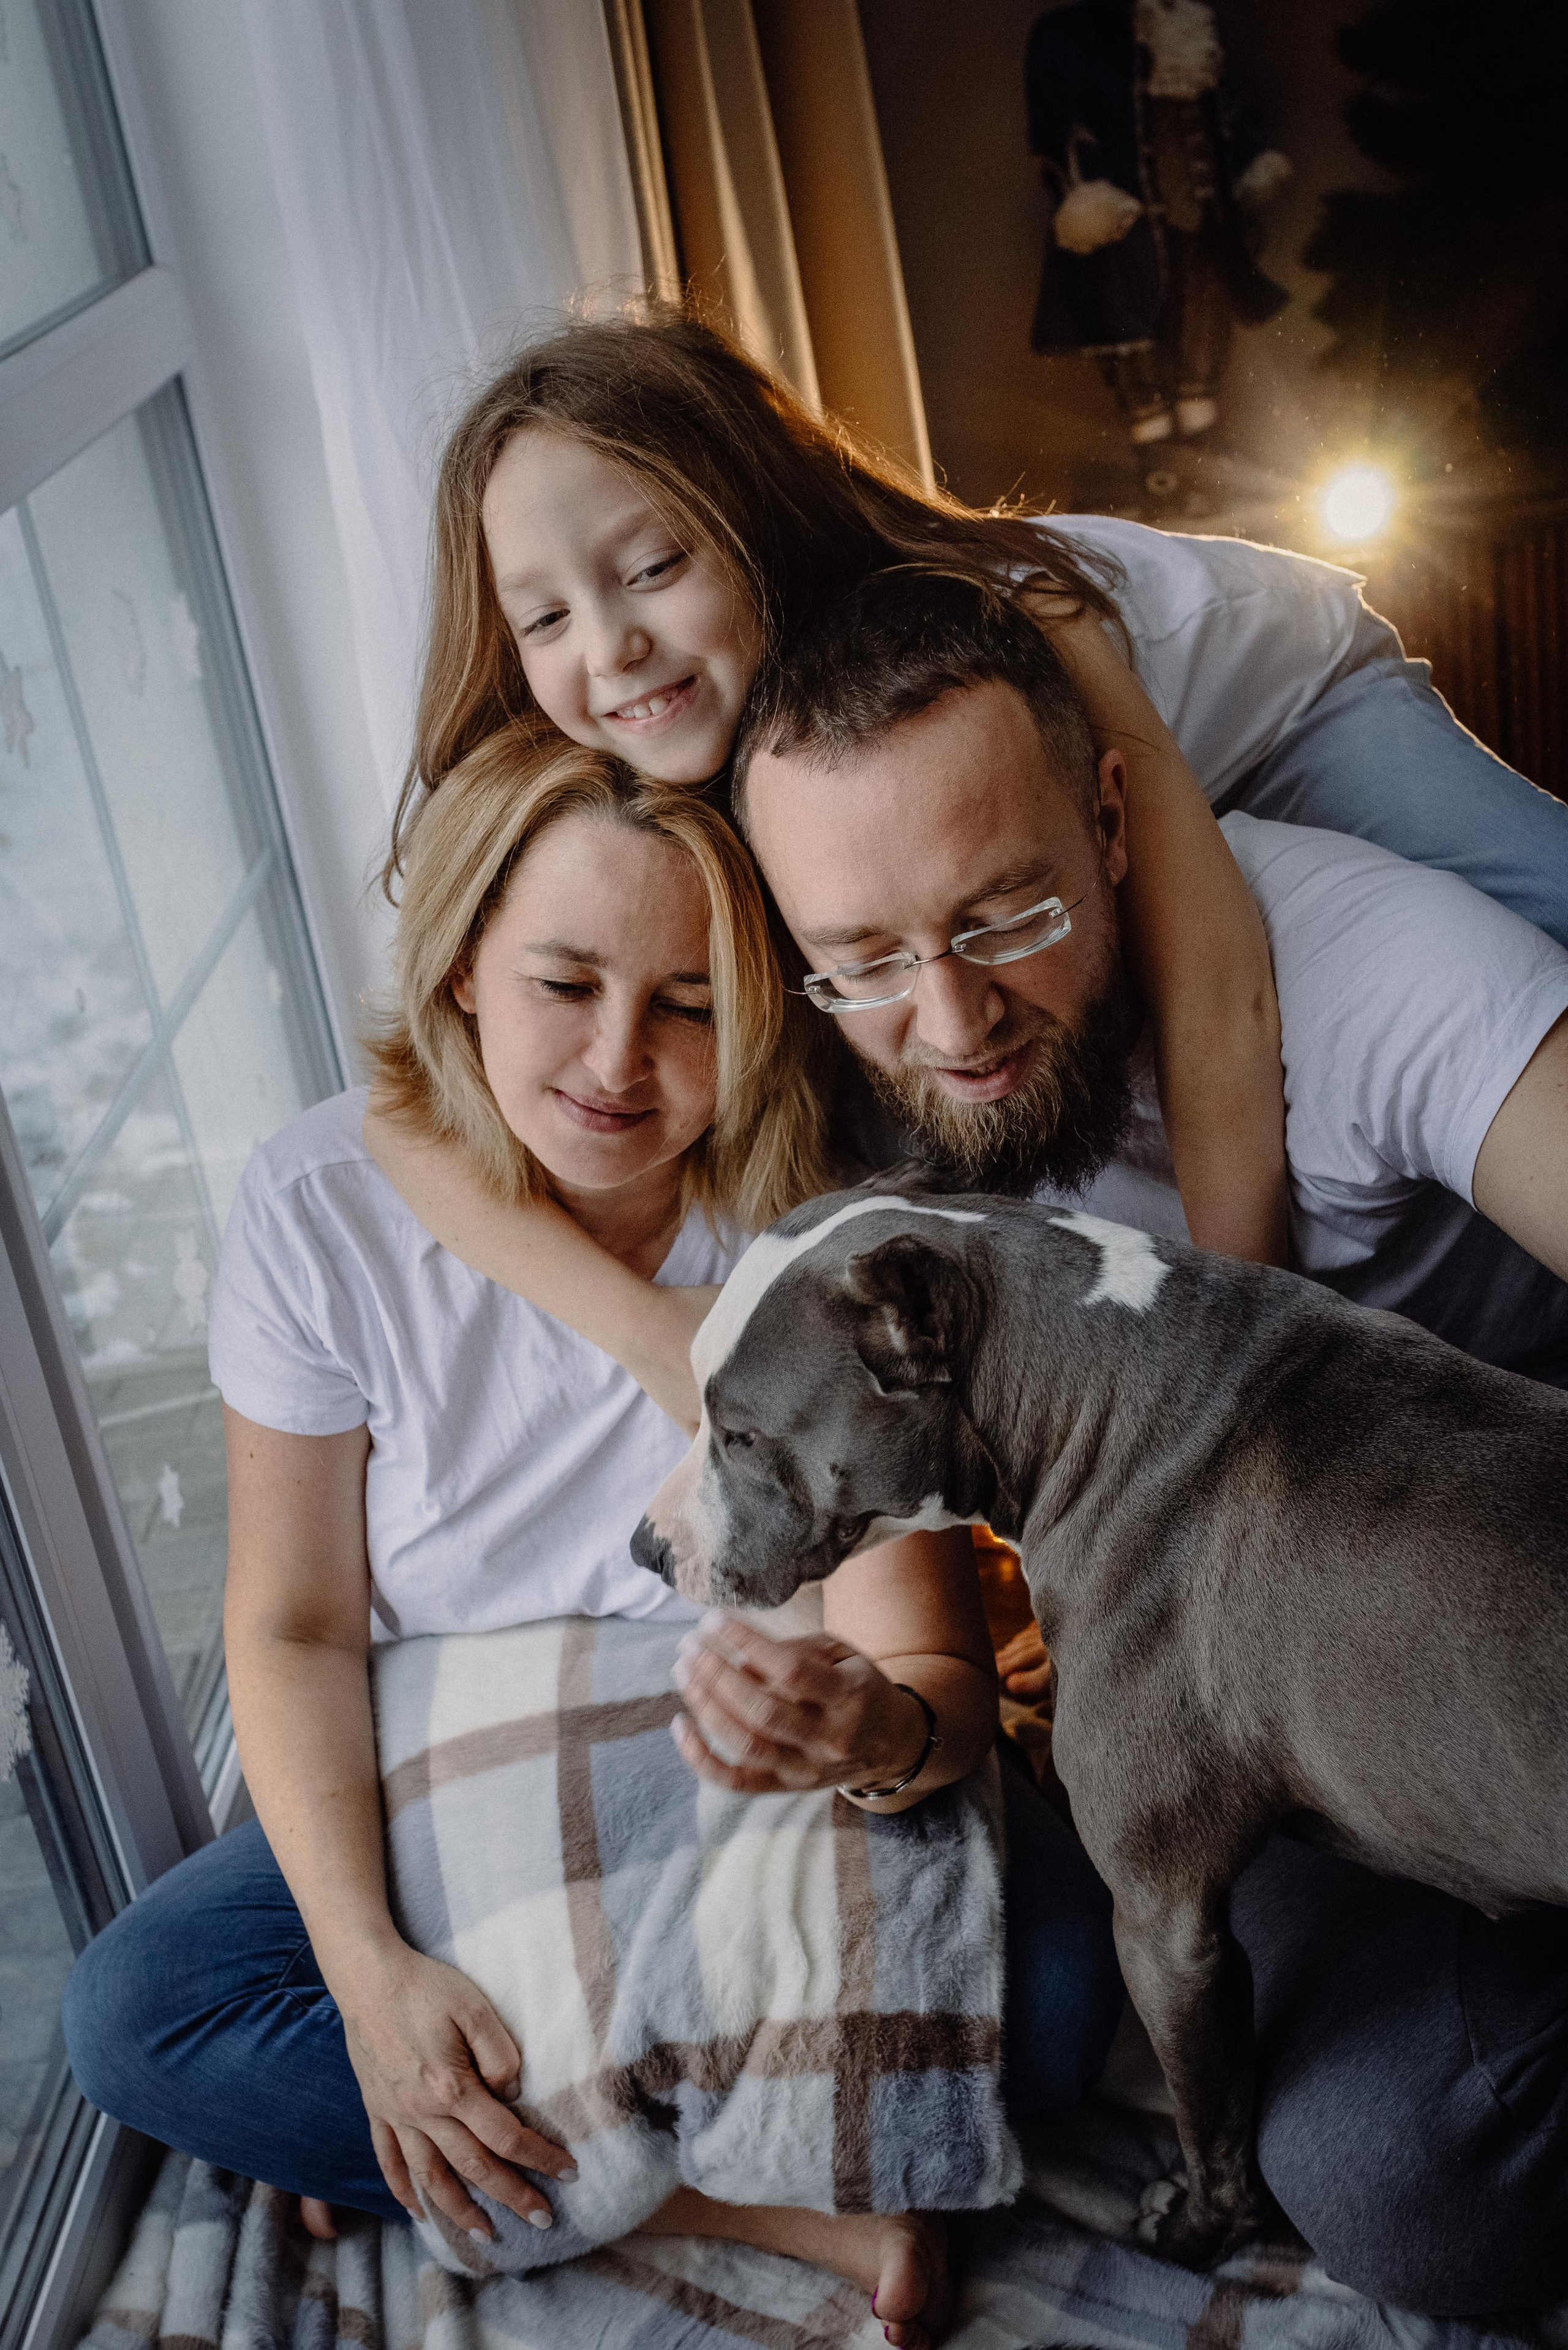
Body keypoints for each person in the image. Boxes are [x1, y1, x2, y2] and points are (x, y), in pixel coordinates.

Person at [59, 727, 1120, 2350]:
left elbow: (932, 1680)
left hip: (741, 1773)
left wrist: (878, 1726)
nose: (620, 1060)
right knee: (139, 2016)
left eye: (689, 1003)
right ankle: (740, 2189)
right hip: (456, 1762)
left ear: (754, 1014)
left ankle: (482, 2142)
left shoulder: (829, 1225)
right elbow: (292, 1625)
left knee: (1057, 2002)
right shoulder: (318, 1202)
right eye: (565, 982)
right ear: (467, 964)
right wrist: (366, 1984)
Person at [722, 566, 1568, 2314]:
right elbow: (931, 1649)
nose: (949, 1025)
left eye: (1005, 911)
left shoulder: (1379, 966)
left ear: (1114, 819)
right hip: (1312, 1705)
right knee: (1394, 2181)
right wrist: (875, 1727)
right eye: (867, 956)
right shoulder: (852, 1143)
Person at [361, 305, 1568, 1430]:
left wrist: (1230, 1342)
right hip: (1006, 839)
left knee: (1539, 912)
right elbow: (401, 1101)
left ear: (747, 523)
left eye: (651, 567)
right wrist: (641, 1329)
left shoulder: (1010, 612)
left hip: (1283, 708)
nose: (611, 644)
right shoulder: (607, 743)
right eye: (546, 616)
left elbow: (1216, 985)